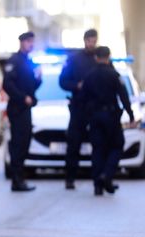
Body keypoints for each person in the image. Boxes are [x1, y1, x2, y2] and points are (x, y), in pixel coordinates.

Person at [81, 46, 135, 196]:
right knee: (117, 146)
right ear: (108, 57)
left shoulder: (89, 76)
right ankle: (107, 175)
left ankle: (98, 185)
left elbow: (82, 99)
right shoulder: (114, 75)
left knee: (98, 149)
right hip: (110, 117)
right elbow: (123, 97)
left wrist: (86, 117)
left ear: (96, 57)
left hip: (95, 118)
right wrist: (130, 115)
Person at [59, 29, 98, 189]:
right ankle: (70, 178)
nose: (91, 43)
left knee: (99, 144)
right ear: (84, 41)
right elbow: (63, 81)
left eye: (93, 40)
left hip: (96, 108)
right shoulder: (74, 59)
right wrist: (77, 85)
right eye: (89, 40)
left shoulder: (100, 58)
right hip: (79, 107)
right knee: (73, 144)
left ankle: (98, 179)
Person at [3, 31, 41, 192]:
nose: (31, 44)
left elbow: (31, 86)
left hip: (26, 108)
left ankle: (19, 178)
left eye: (32, 41)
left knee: (24, 143)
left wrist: (39, 78)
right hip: (17, 108)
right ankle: (16, 180)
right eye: (28, 42)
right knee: (18, 144)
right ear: (21, 42)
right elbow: (7, 85)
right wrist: (22, 97)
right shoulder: (15, 60)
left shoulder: (29, 62)